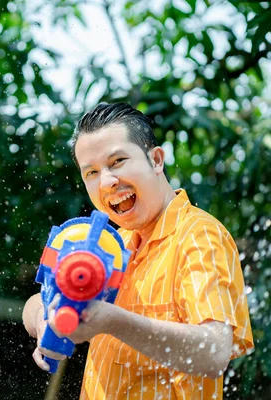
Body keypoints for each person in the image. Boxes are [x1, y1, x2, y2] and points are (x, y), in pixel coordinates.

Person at [22, 102, 254, 399]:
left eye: (117, 161)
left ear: (156, 160)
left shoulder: (199, 237)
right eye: (91, 172)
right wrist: (43, 317)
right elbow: (37, 299)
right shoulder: (113, 244)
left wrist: (112, 320)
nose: (106, 181)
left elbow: (213, 352)